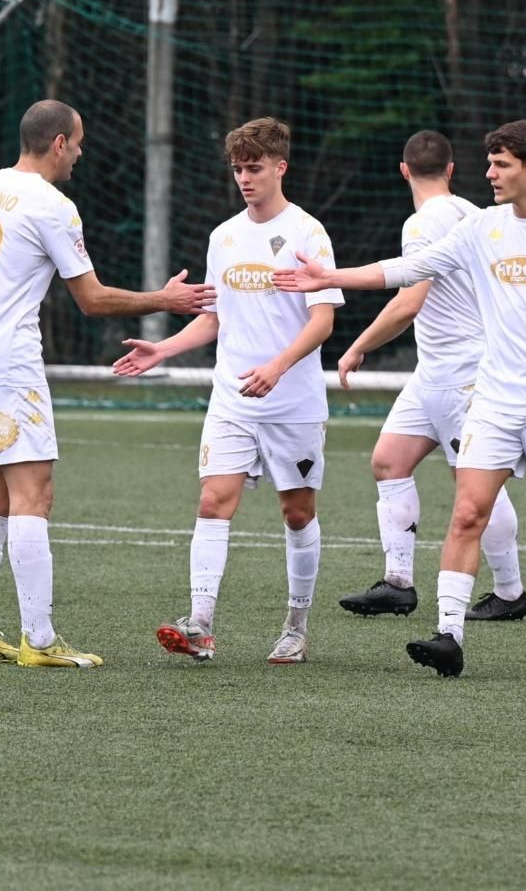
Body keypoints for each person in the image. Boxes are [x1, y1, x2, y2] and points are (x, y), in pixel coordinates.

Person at [274, 120, 526, 677]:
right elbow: (410, 269)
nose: (489, 174)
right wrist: (329, 276)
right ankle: (449, 636)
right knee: (466, 513)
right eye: (487, 163)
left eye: (501, 164)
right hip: (494, 399)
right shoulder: (480, 228)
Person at [0, 99, 214, 669]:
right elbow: (93, 299)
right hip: (10, 368)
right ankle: (41, 641)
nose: (80, 152)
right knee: (33, 496)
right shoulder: (54, 206)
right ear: (57, 143)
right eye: (77, 142)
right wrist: (165, 300)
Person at [113, 117, 341, 664]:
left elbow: (324, 320)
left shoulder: (309, 233)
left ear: (280, 168)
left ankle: (296, 626)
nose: (244, 178)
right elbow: (214, 318)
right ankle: (200, 625)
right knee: (214, 502)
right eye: (238, 168)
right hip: (233, 398)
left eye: (255, 168)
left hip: (292, 402)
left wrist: (279, 367)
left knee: (297, 512)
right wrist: (163, 349)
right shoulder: (225, 236)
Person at [332, 131, 526, 624]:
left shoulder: (423, 223)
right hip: (434, 372)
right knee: (388, 461)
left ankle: (510, 591)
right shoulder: (472, 212)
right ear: (453, 168)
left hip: (464, 373)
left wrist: (358, 346)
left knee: (477, 486)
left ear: (403, 171)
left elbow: (408, 301)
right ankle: (398, 583)